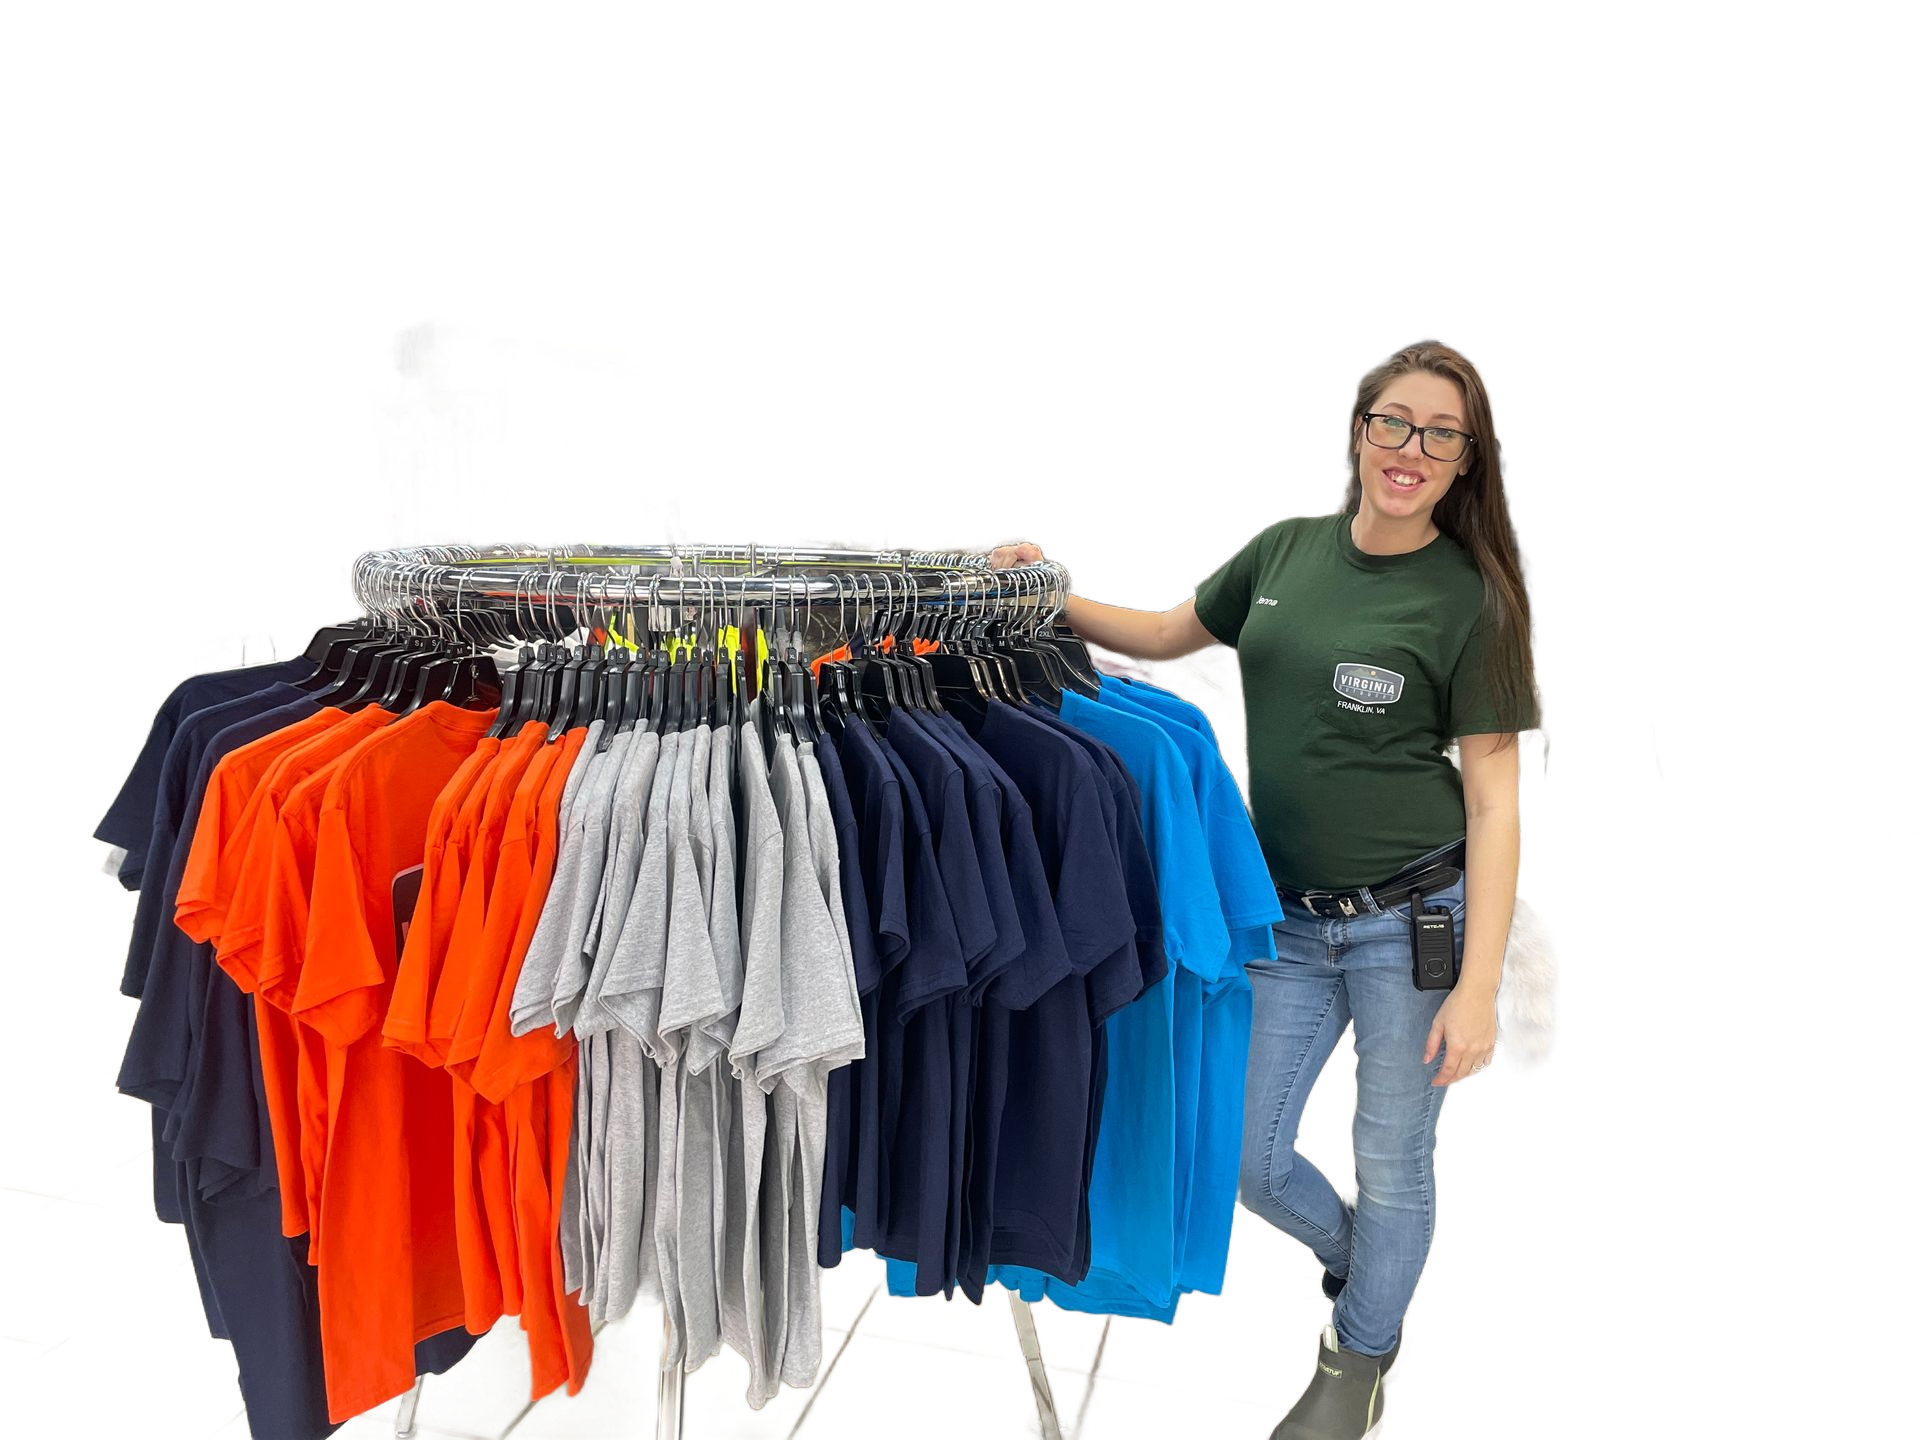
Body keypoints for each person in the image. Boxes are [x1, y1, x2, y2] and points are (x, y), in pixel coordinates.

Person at [990, 338, 1539, 1439]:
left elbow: (1494, 804)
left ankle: (1357, 1363)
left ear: (1467, 459)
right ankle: (1369, 1267)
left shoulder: (1473, 600)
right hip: (1284, 918)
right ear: (1356, 431)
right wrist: (1053, 599)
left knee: (1392, 1156)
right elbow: (1166, 636)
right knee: (1236, 1148)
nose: (1411, 449)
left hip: (1416, 922)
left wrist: (1477, 988)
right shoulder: (1284, 553)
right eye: (1393, 422)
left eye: (1442, 434)